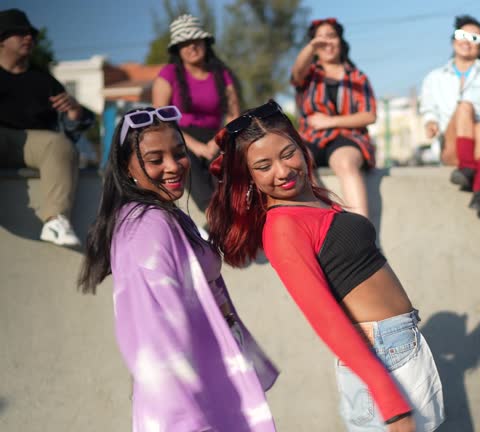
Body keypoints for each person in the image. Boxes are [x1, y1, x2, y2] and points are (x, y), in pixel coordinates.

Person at [206, 100, 445, 432]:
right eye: (263, 166)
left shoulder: (312, 200)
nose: (283, 170)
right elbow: (327, 320)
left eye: (288, 153)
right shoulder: (282, 228)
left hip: (401, 344)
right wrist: (391, 404)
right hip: (380, 356)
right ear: (249, 177)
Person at [77, 106, 278, 431]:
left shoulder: (165, 214)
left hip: (211, 394)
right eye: (155, 159)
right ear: (127, 167)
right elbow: (155, 338)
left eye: (179, 153)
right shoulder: (146, 226)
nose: (174, 166)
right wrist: (191, 423)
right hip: (193, 412)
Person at [0, 8, 94, 247]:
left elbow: (71, 135)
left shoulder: (43, 81)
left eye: (31, 34)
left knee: (59, 143)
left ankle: (55, 221)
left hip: (34, 143)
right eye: (20, 34)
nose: (29, 37)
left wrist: (74, 113)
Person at [420, 15, 480, 220]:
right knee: (465, 107)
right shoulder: (434, 77)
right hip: (452, 148)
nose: (467, 41)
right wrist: (431, 122)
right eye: (463, 35)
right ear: (453, 40)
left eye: (475, 38)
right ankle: (470, 171)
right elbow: (428, 108)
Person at [152, 14, 240, 218]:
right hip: (177, 137)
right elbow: (160, 117)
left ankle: (231, 222)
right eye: (184, 43)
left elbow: (233, 114)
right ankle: (215, 222)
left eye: (195, 41)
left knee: (227, 172)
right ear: (177, 50)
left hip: (217, 137)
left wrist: (217, 142)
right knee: (186, 162)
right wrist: (196, 146)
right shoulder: (169, 73)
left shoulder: (222, 73)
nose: (191, 47)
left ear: (205, 43)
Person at [290, 18, 376, 217]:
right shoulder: (309, 74)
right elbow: (296, 72)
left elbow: (369, 115)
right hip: (311, 138)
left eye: (331, 36)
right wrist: (313, 45)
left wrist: (330, 121)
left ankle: (362, 236)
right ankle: (325, 225)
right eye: (320, 38)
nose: (327, 42)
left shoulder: (357, 77)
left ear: (340, 41)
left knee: (345, 162)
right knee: (297, 162)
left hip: (348, 137)